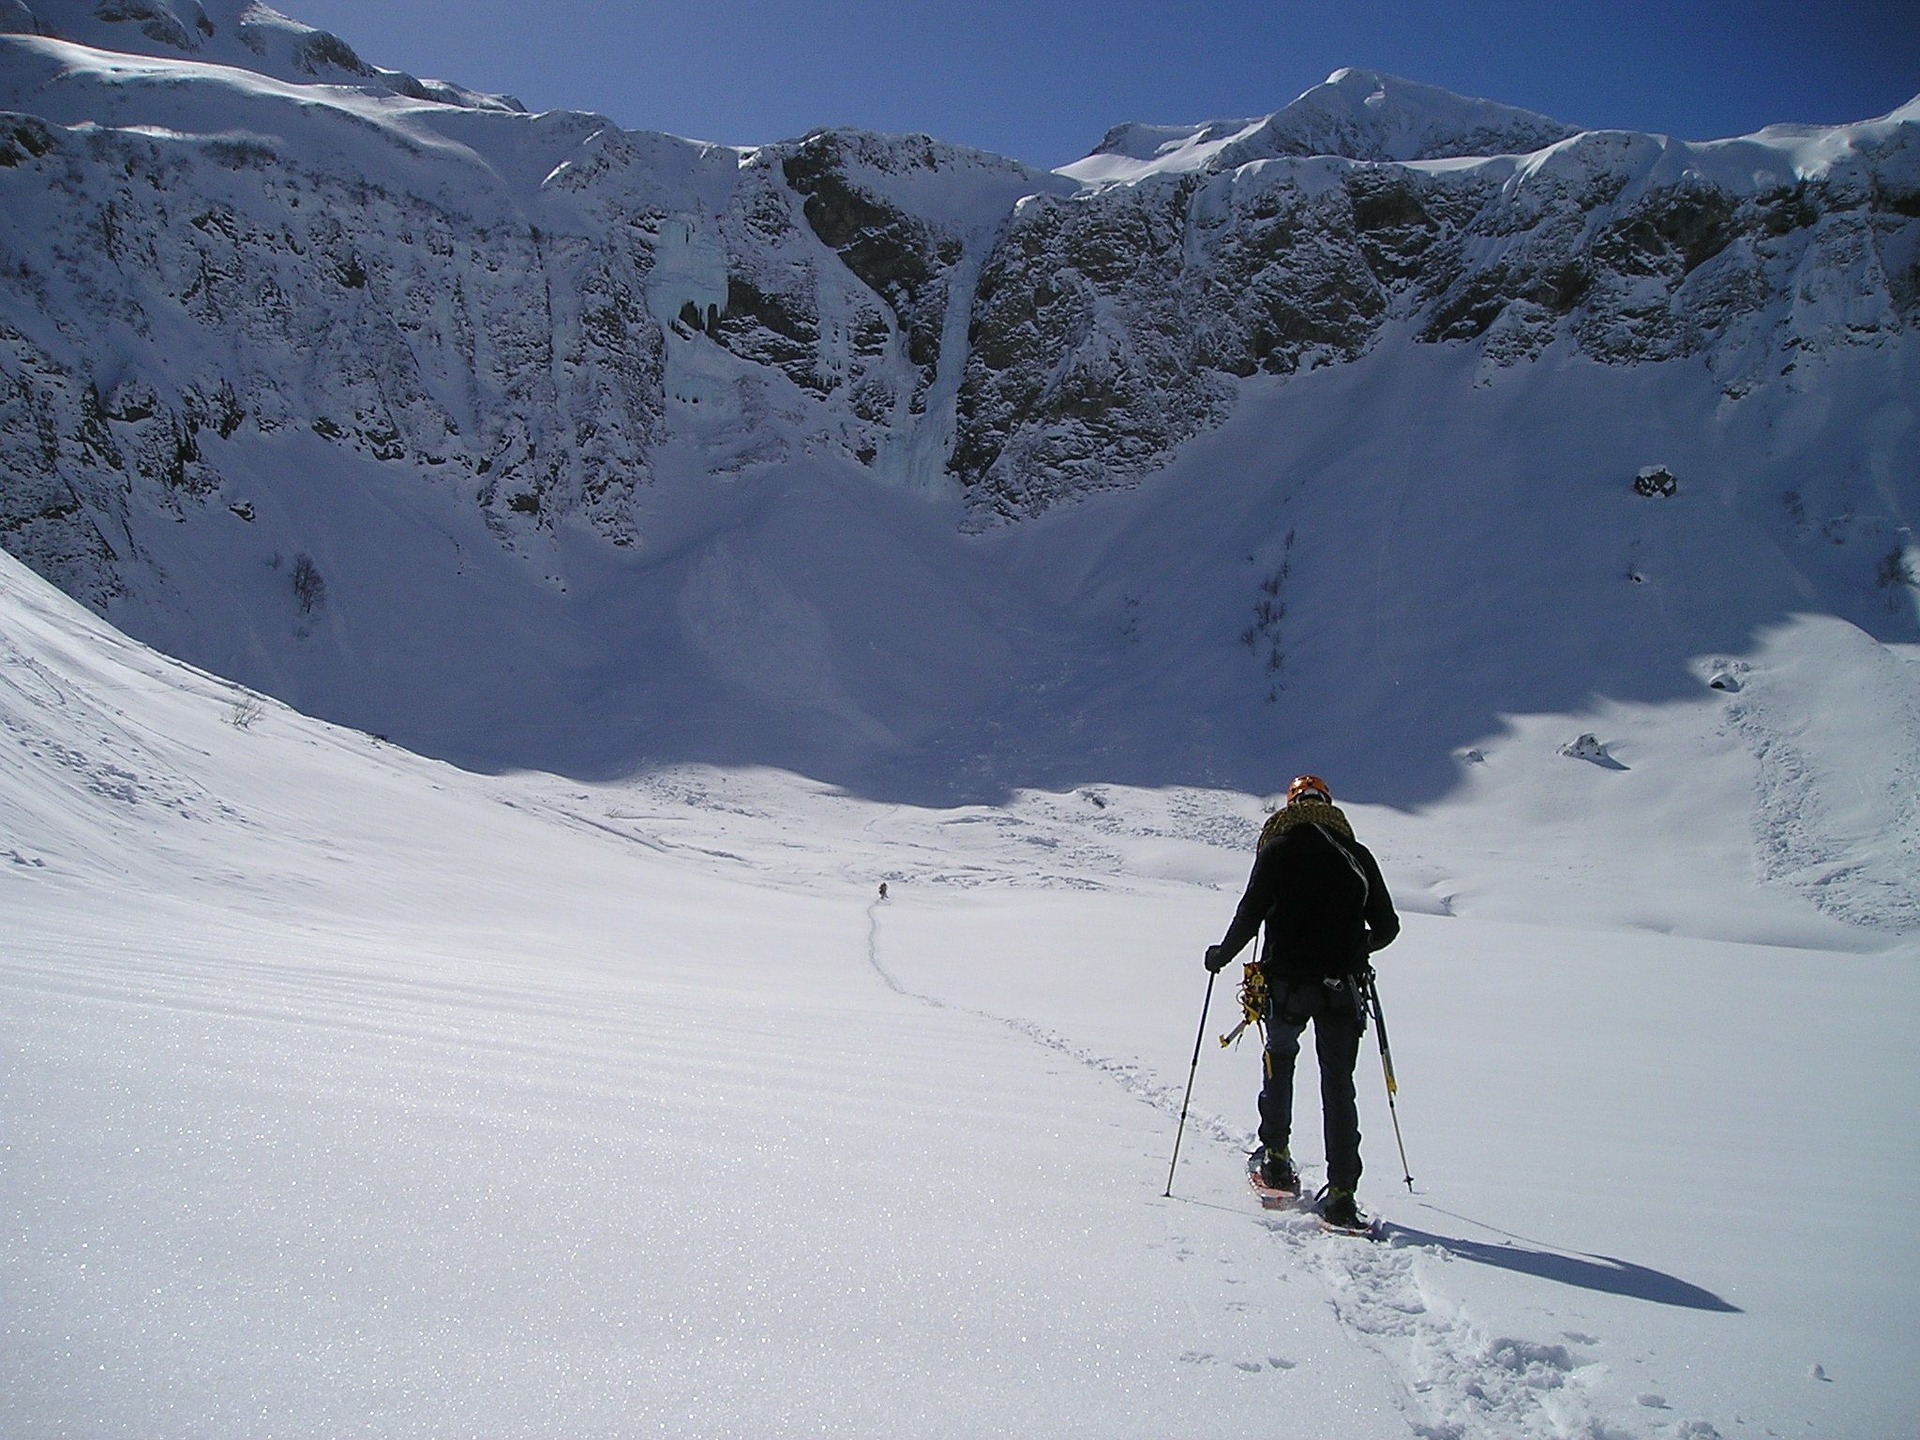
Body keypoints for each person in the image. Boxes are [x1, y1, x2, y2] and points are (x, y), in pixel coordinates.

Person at [1205, 775, 1399, 1228]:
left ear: (1290, 808)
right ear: (1329, 806)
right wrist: (1354, 948)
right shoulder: (1358, 857)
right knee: (1338, 1086)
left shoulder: (1276, 851)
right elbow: (1387, 927)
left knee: (1279, 1063)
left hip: (1287, 985)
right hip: (1342, 989)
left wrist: (1220, 956)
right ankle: (1343, 1195)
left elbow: (1249, 915)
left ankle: (1275, 1157)